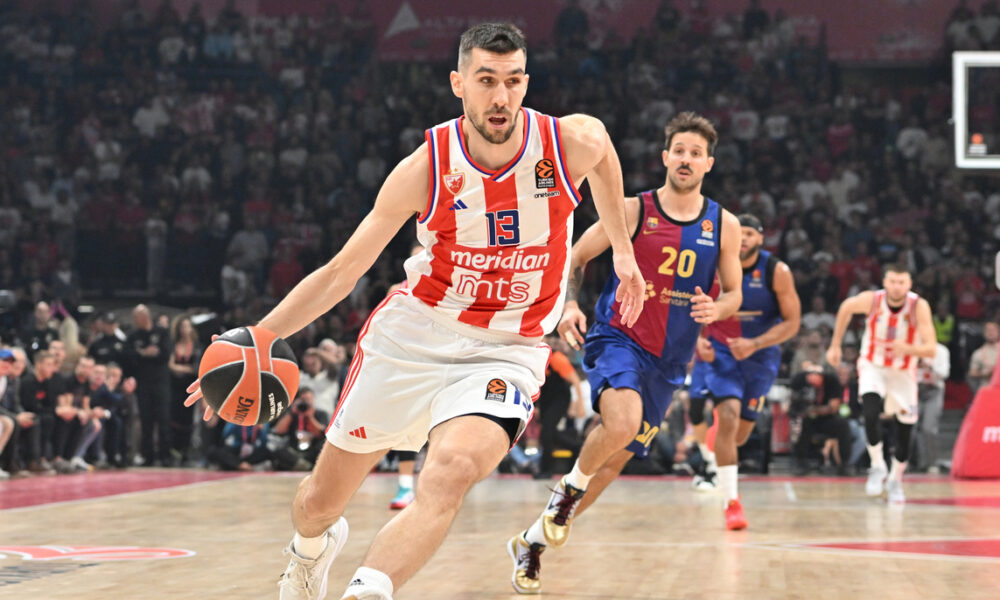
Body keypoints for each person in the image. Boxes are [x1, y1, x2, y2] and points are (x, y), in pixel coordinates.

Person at [184, 23, 644, 600]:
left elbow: (604, 155)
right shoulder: (426, 167)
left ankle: (368, 591)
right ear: (458, 84)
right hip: (413, 336)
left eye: (513, 81)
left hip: (508, 348)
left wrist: (622, 253)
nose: (500, 97)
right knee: (317, 505)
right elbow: (340, 272)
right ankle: (310, 550)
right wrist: (258, 338)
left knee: (449, 473)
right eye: (485, 81)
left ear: (526, 83)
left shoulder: (566, 142)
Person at [507, 111, 742, 594]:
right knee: (621, 423)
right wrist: (568, 303)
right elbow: (574, 255)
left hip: (670, 360)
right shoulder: (634, 210)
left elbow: (734, 294)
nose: (686, 159)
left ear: (708, 164)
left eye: (696, 153)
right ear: (665, 156)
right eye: (679, 149)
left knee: (615, 458)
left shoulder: (725, 224)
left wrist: (716, 307)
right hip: (619, 336)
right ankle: (568, 492)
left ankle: (532, 542)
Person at [688, 213, 801, 529]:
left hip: (760, 357)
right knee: (727, 418)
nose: (746, 238)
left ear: (761, 239)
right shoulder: (710, 264)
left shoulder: (776, 271)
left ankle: (716, 448)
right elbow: (686, 305)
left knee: (739, 434)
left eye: (752, 233)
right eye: (742, 232)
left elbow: (793, 323)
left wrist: (755, 343)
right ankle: (732, 503)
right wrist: (699, 341)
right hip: (722, 354)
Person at [826, 263, 937, 503]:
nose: (897, 287)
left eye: (902, 282)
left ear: (909, 284)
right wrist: (835, 344)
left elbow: (930, 349)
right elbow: (846, 307)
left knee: (905, 430)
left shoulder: (918, 306)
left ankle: (896, 479)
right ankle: (877, 465)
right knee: (870, 411)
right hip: (873, 365)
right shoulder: (872, 300)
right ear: (885, 282)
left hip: (903, 372)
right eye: (893, 282)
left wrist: (908, 348)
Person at [126, 304, 172, 466]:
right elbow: (129, 356)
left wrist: (149, 354)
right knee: (146, 420)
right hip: (143, 383)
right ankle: (148, 456)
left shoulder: (162, 332)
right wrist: (145, 353)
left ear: (146, 317)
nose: (135, 321)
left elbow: (166, 354)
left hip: (161, 383)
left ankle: (165, 455)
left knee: (164, 419)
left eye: (137, 317)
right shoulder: (133, 336)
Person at [790, 361, 852, 475]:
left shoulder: (832, 381)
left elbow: (833, 407)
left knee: (843, 425)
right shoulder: (800, 381)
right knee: (800, 425)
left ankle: (843, 464)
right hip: (807, 418)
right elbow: (792, 399)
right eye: (810, 375)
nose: (813, 378)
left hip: (826, 419)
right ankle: (801, 463)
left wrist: (815, 410)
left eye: (816, 375)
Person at [168, 316, 202, 465]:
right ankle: (174, 450)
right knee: (174, 417)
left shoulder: (196, 346)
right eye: (182, 326)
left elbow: (195, 368)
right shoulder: (173, 345)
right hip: (174, 386)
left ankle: (186, 452)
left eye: (188, 326)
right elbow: (169, 365)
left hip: (190, 386)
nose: (185, 329)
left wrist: (179, 368)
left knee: (188, 419)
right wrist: (181, 368)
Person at [915, 341, 950, 472]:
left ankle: (932, 463)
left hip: (933, 390)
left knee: (929, 428)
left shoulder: (941, 350)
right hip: (914, 391)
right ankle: (910, 462)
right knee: (909, 426)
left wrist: (929, 367)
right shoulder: (913, 347)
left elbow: (944, 374)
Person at [968, 321, 998, 396]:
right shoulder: (978, 353)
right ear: (984, 333)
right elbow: (972, 373)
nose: (990, 333)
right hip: (987, 388)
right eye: (988, 330)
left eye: (993, 330)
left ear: (998, 332)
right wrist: (984, 374)